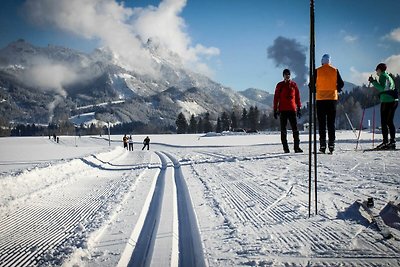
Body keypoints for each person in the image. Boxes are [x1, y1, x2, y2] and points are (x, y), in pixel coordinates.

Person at [315, 54, 344, 154]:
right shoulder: (335, 70)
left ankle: (322, 145)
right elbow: (341, 83)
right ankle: (331, 145)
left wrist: (315, 90)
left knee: (322, 123)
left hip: (320, 100)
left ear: (322, 61)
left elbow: (311, 84)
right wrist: (337, 88)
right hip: (332, 99)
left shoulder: (317, 71)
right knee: (331, 123)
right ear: (330, 61)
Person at [368, 63, 398, 150]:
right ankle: (392, 142)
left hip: (387, 101)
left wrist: (373, 81)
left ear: (380, 69)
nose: (376, 71)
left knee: (384, 122)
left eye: (377, 69)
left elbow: (382, 88)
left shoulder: (383, 76)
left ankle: (385, 142)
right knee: (389, 122)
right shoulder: (388, 76)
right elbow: (387, 89)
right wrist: (381, 95)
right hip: (393, 101)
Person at [273, 68, 303, 153]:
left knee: (295, 129)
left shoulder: (294, 85)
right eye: (285, 74)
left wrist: (299, 108)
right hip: (283, 110)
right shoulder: (280, 85)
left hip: (292, 109)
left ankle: (296, 147)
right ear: (283, 76)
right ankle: (285, 148)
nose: (287, 75)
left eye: (288, 74)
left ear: (290, 75)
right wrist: (275, 109)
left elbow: (297, 97)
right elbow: (276, 98)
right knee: (283, 130)